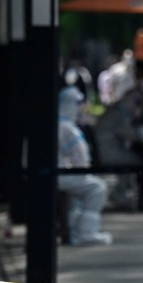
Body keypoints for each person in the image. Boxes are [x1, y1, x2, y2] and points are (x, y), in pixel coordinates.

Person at [58, 87, 113, 246]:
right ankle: (86, 233)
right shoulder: (68, 128)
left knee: (79, 192)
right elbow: (81, 158)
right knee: (97, 188)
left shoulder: (58, 124)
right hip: (62, 174)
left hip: (60, 173)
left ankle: (74, 229)